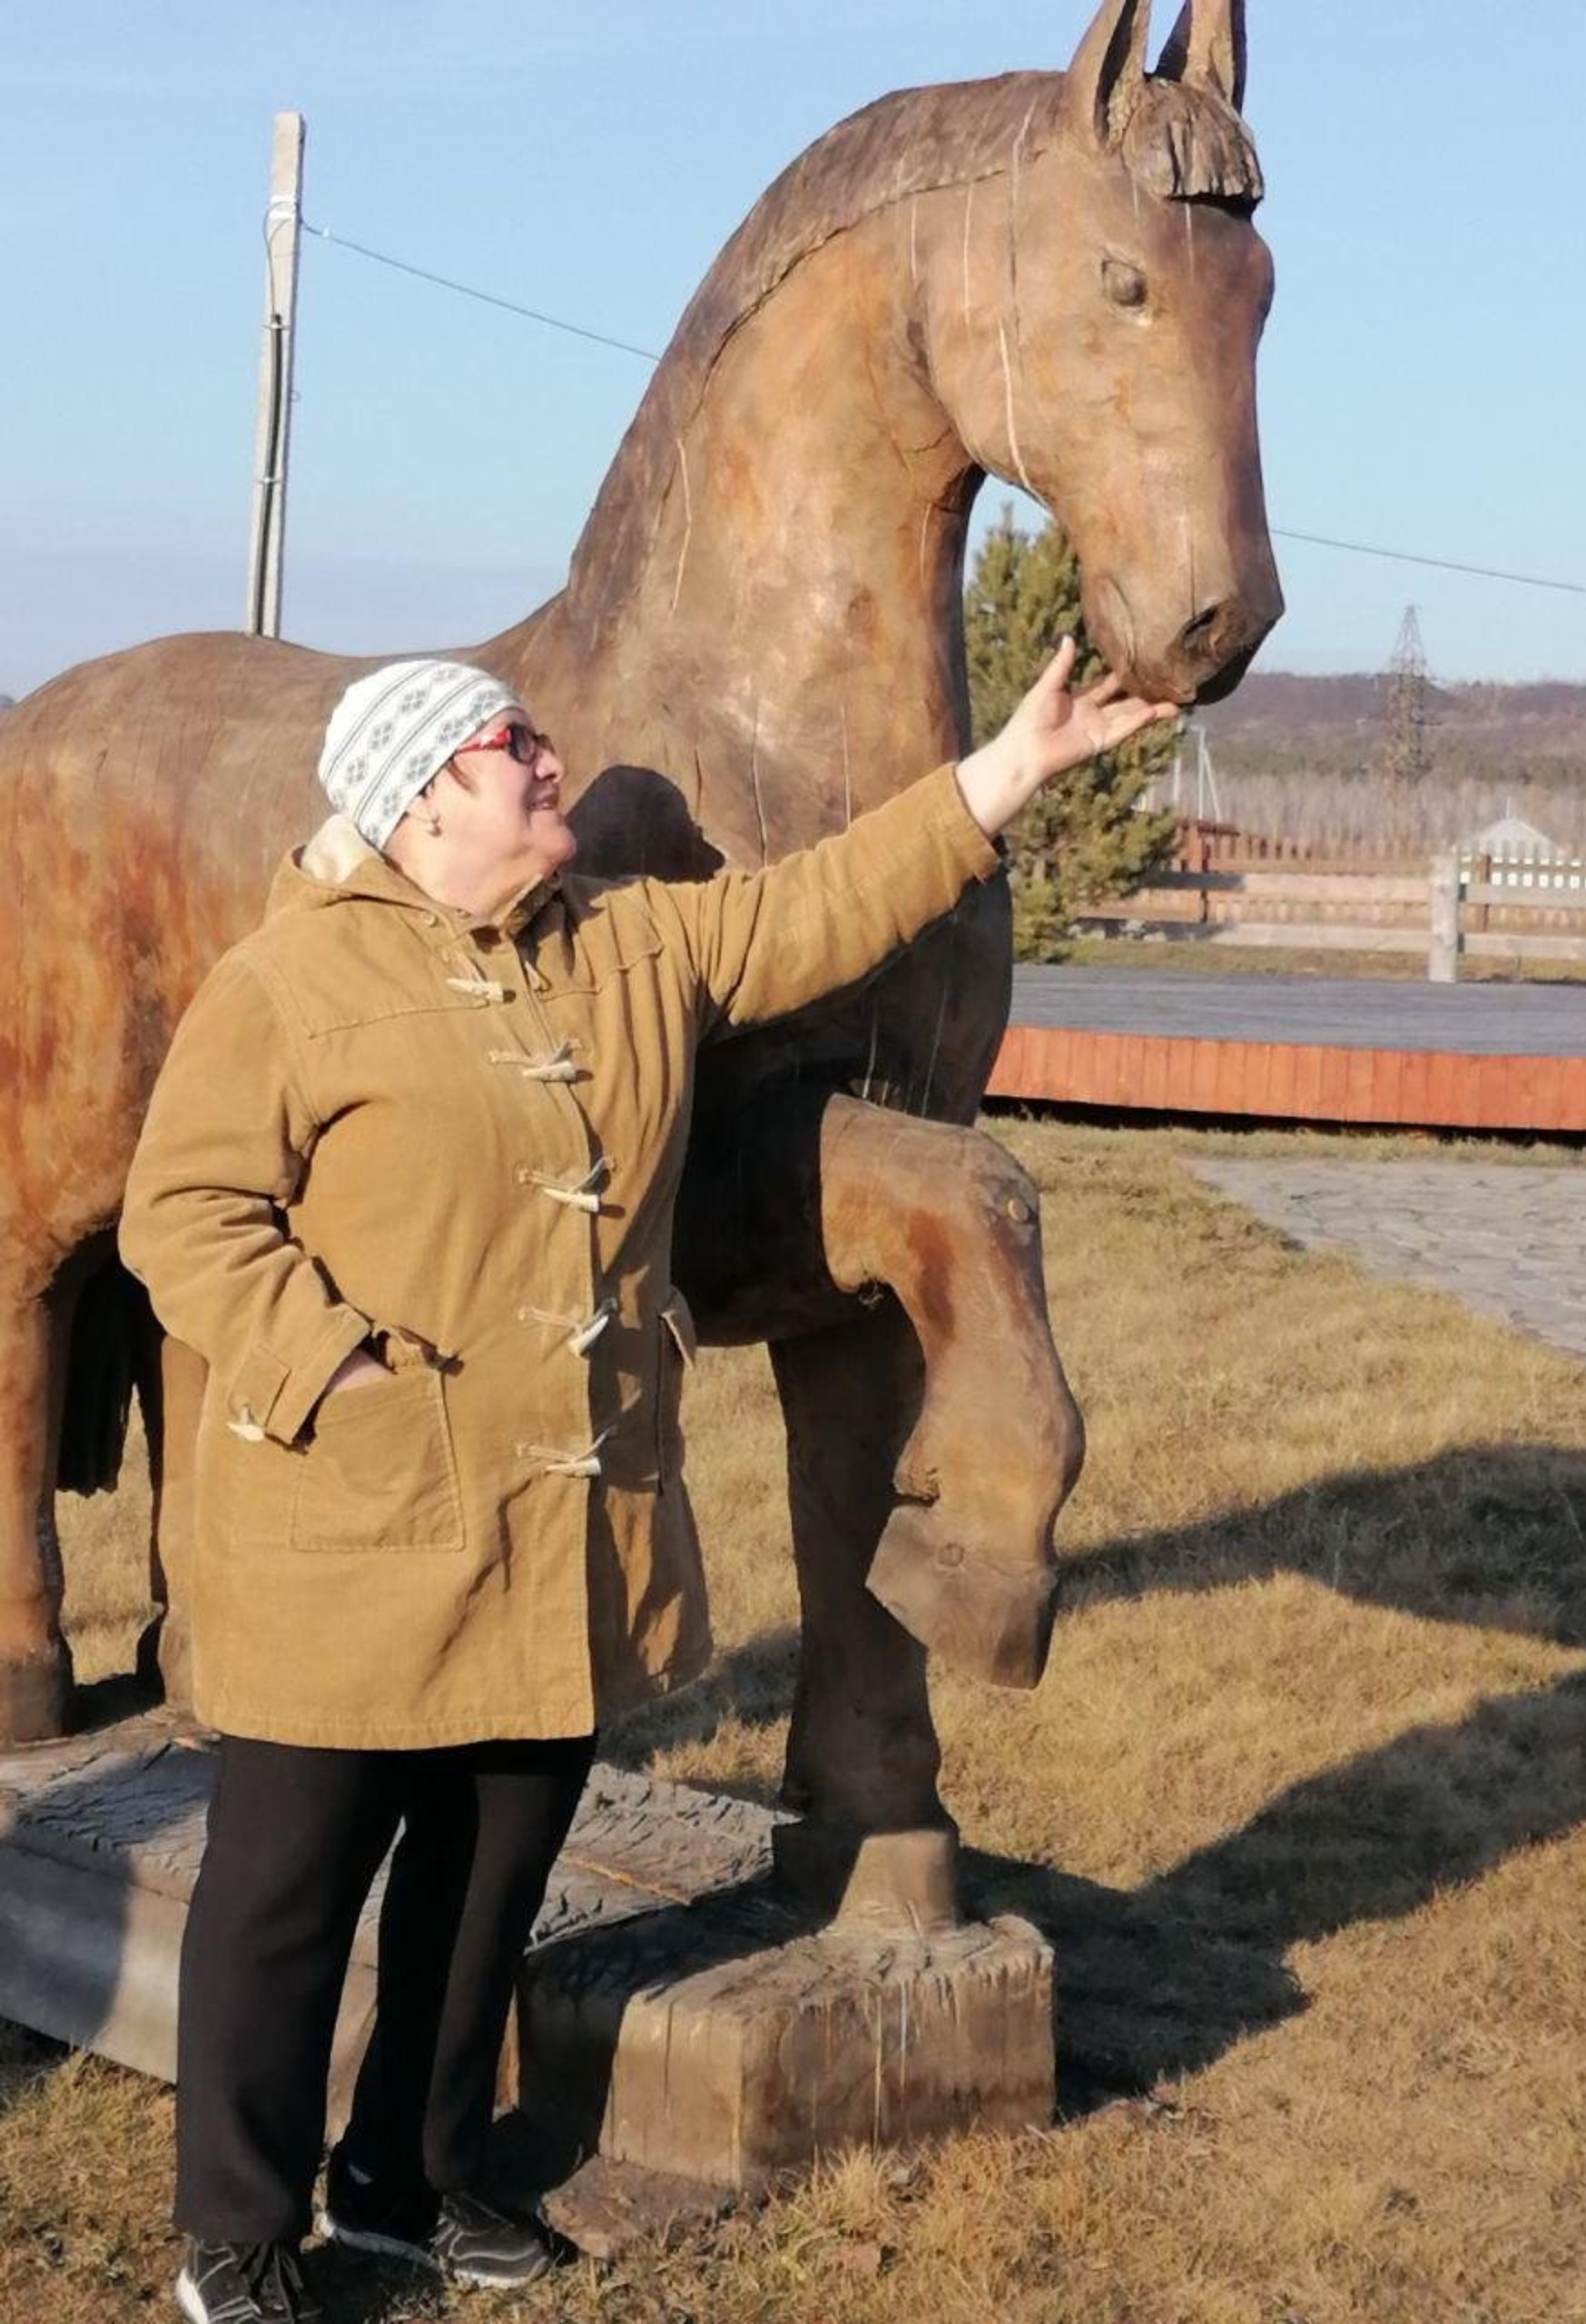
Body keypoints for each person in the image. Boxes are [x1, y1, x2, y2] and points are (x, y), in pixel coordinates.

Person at [118, 641, 1172, 2324]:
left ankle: (409, 2174)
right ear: (418, 799)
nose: (549, 758)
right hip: (347, 1526)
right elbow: (182, 1213)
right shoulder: (288, 985)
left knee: (487, 1884)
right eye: (506, 742)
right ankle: (235, 2240)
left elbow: (829, 901)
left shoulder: (631, 941)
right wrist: (332, 1364)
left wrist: (1013, 771)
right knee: (285, 1893)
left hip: (558, 1531)